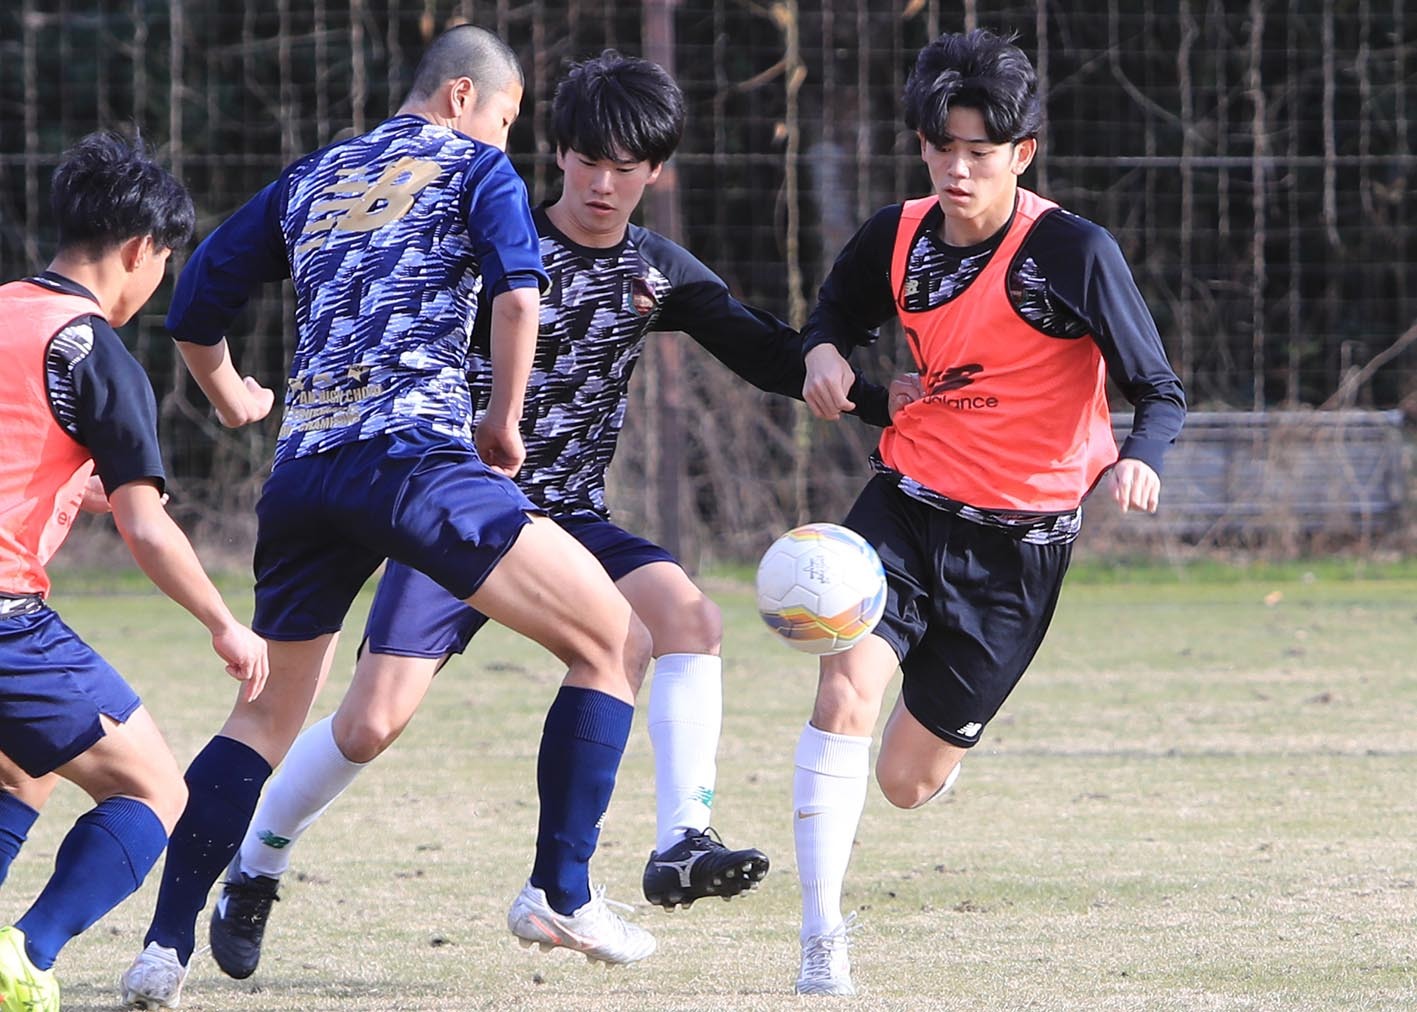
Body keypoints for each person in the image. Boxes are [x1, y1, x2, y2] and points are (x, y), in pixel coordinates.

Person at [200, 48, 901, 984]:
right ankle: (256, 862)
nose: (605, 184)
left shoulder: (658, 273)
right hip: (457, 507)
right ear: (558, 155)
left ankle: (679, 839)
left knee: (687, 619)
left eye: (629, 167)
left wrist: (878, 395)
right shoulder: (493, 231)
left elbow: (764, 352)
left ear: (657, 171)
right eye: (588, 160)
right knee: (369, 724)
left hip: (568, 516)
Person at [120, 26, 662, 1010]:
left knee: (265, 714)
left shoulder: (313, 176)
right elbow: (517, 293)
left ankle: (163, 948)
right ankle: (561, 890)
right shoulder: (474, 166)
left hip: (302, 474)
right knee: (614, 638)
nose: (507, 140)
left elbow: (194, 300)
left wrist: (236, 392)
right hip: (413, 459)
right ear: (465, 96)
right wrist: (501, 423)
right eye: (507, 119)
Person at [789, 28, 1187, 996]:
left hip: (1018, 553)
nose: (958, 168)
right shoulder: (896, 234)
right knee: (843, 693)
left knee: (904, 784)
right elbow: (832, 316)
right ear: (921, 144)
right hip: (905, 506)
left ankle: (941, 741)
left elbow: (1159, 389)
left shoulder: (1070, 252)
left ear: (1022, 152)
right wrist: (823, 354)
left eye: (980, 150)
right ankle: (818, 937)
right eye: (941, 147)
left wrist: (1138, 459)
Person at [0, 131, 269, 1012]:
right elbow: (150, 531)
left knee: (20, 767)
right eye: (165, 262)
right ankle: (26, 958)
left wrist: (72, 492)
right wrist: (222, 623)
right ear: (138, 252)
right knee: (154, 787)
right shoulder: (93, 351)